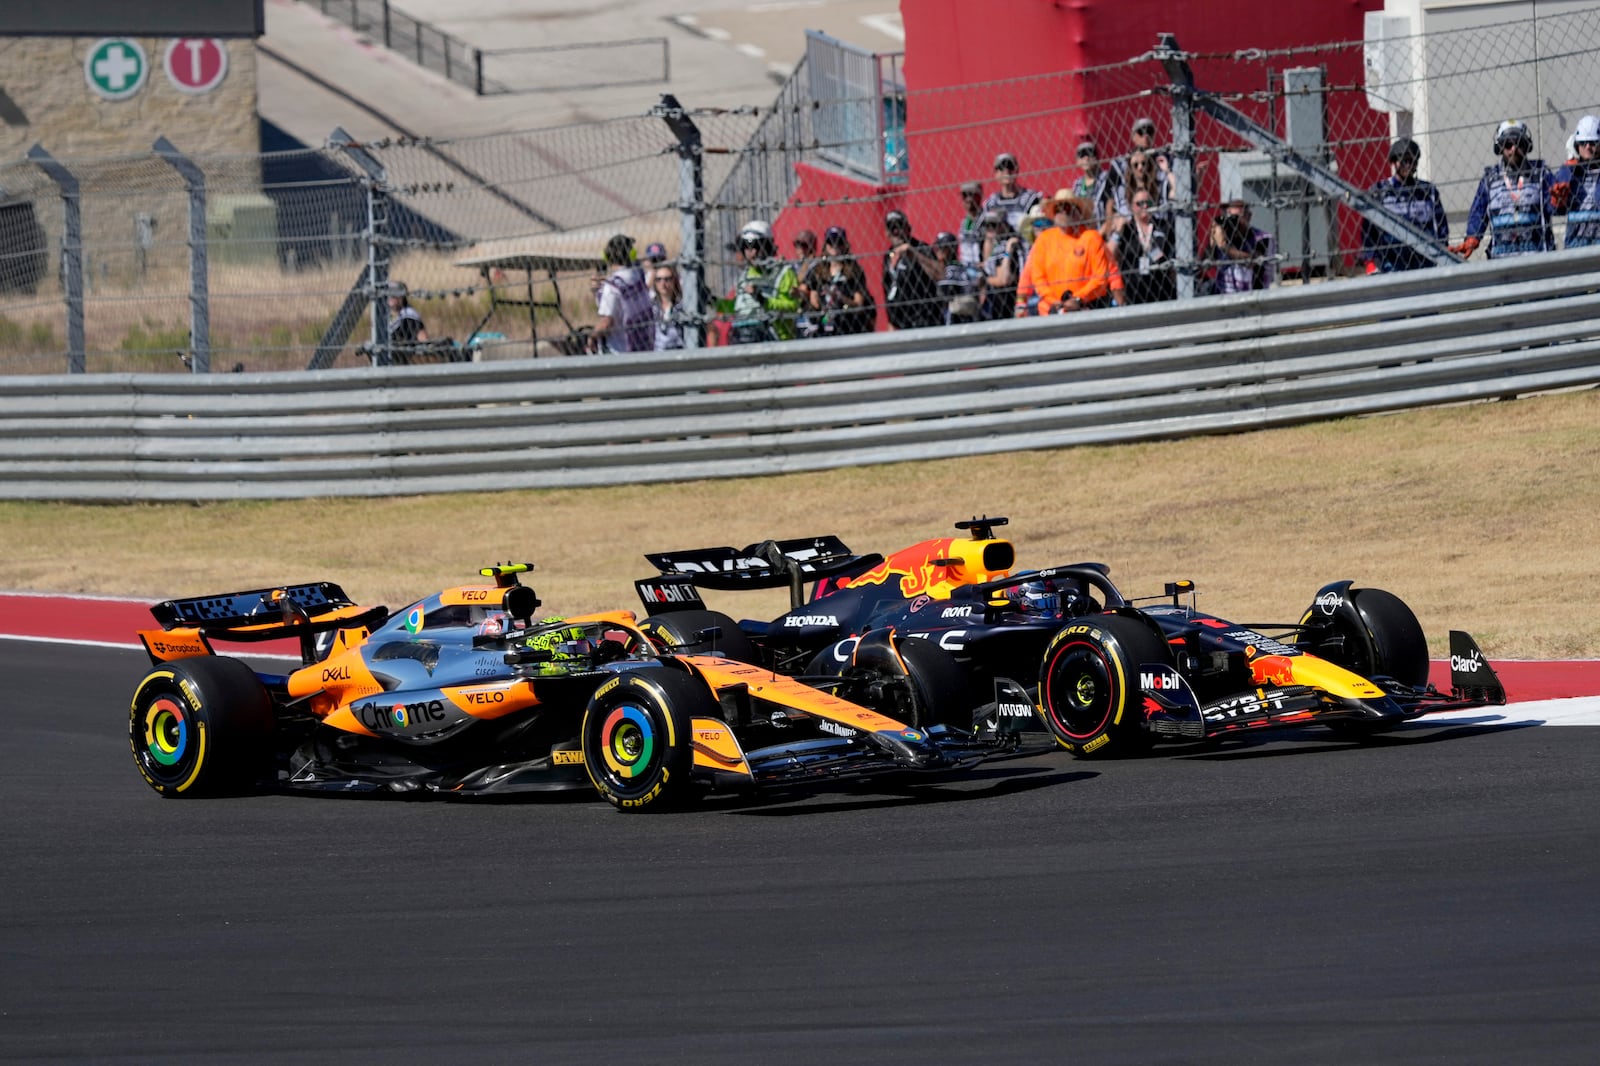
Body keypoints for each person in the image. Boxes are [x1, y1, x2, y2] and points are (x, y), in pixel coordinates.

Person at [1456, 120, 1556, 259]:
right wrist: (1473, 236)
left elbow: (1555, 205)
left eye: (1519, 143)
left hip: (1537, 256)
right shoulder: (1490, 179)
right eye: (1508, 145)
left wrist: (1558, 201)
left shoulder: (1541, 173)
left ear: (1527, 146)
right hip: (1501, 259)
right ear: (1500, 148)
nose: (1513, 149)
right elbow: (1479, 211)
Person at [1014, 190, 1123, 315]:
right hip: (1051, 310)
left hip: (1087, 307)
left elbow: (1101, 277)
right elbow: (1037, 278)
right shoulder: (1044, 240)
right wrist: (1054, 302)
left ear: (1078, 212)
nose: (1063, 212)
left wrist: (1078, 299)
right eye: (1058, 208)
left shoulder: (1091, 238)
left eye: (1067, 207)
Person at [1359, 137, 1449, 273]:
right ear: (1395, 162)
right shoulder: (1380, 192)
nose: (1408, 165)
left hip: (1424, 260)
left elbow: (1440, 226)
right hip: (1391, 262)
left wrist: (1442, 250)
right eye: (1404, 160)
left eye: (1412, 161)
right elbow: (1368, 230)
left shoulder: (1427, 191)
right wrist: (1371, 260)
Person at [718, 219, 800, 344]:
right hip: (742, 336)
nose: (753, 252)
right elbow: (739, 307)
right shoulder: (746, 274)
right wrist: (715, 302)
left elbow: (793, 306)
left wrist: (764, 300)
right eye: (747, 247)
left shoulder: (784, 272)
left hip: (775, 339)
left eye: (756, 246)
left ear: (767, 246)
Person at [1107, 190, 1176, 304]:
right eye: (1139, 203)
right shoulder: (1127, 230)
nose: (1144, 206)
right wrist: (1117, 232)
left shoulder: (1163, 226)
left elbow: (1171, 258)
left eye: (1148, 203)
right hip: (1133, 293)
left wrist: (1152, 250)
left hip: (1162, 290)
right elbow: (1108, 254)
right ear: (1131, 207)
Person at [805, 226, 875, 336]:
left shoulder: (854, 270)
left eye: (839, 242)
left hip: (848, 325)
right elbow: (814, 302)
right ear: (826, 246)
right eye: (831, 242)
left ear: (845, 245)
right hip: (825, 324)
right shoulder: (818, 271)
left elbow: (859, 304)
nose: (835, 247)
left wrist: (840, 298)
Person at [881, 210, 943, 330]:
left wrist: (913, 254)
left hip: (924, 321)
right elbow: (888, 289)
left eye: (899, 226)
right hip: (899, 324)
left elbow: (940, 275)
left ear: (908, 228)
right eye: (892, 228)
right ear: (887, 233)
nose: (896, 232)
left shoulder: (921, 248)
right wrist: (891, 324)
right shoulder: (888, 256)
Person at [593, 233, 654, 352]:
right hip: (642, 345)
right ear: (631, 255)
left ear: (607, 256)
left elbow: (606, 322)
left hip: (617, 351)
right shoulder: (638, 277)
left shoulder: (611, 287)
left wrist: (592, 336)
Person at [1552, 114, 1600, 249]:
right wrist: (1558, 201)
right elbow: (1557, 210)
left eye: (1593, 143)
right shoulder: (1568, 172)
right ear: (1576, 144)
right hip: (1575, 244)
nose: (1588, 147)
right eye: (1583, 143)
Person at [1208, 199, 1276, 293]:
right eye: (1229, 217)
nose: (1233, 222)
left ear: (1248, 216)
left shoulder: (1263, 238)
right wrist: (1212, 239)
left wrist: (1224, 247)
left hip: (1253, 296)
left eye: (1237, 217)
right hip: (1223, 297)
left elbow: (1252, 262)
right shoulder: (1224, 237)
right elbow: (1206, 263)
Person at [932, 231, 984, 325]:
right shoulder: (966, 268)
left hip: (956, 317)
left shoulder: (951, 270)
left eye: (942, 247)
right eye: (937, 247)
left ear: (952, 248)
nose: (938, 250)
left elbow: (943, 294)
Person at [982, 153, 1042, 233]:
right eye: (1001, 167)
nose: (1006, 171)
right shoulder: (990, 204)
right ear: (996, 173)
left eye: (1010, 166)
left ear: (1016, 170)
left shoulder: (1031, 199)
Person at [979, 210, 1022, 321]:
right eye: (987, 226)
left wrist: (985, 280)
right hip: (999, 303)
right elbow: (986, 262)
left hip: (1008, 301)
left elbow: (1003, 279)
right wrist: (988, 240)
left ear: (1004, 225)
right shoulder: (996, 244)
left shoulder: (1005, 245)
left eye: (993, 225)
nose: (990, 229)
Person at [1069, 139, 1119, 235]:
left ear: (1097, 158)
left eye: (1090, 154)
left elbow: (1112, 207)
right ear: (1077, 161)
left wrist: (1101, 233)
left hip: (1102, 231)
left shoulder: (1106, 179)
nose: (1086, 158)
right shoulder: (1077, 185)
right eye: (1082, 155)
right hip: (1082, 233)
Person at [650, 262, 685, 350]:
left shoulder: (683, 306)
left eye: (667, 279)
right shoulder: (651, 307)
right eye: (659, 279)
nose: (663, 283)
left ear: (674, 281)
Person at [384, 281, 428, 346]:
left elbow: (423, 338)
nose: (390, 297)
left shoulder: (409, 316)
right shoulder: (385, 315)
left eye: (394, 295)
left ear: (402, 297)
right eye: (388, 294)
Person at [956, 180, 986, 267]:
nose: (969, 199)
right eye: (965, 195)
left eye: (972, 195)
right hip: (965, 267)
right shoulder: (964, 222)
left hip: (982, 268)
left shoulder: (986, 220)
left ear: (980, 196)